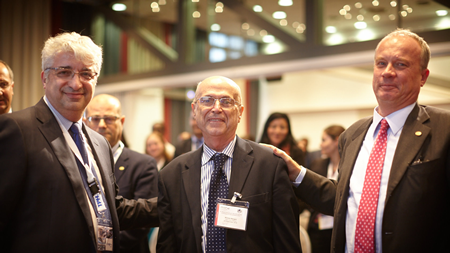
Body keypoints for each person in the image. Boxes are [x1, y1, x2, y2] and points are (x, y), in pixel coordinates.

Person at [267, 28, 450, 253]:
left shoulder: (444, 129)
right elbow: (343, 197)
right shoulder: (353, 134)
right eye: (381, 63)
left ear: (423, 76)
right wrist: (296, 173)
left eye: (400, 64)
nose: (388, 72)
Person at [0, 32, 158, 252]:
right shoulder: (17, 129)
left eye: (86, 73)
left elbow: (110, 208)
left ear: (95, 80)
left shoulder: (100, 143)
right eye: (64, 72)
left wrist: (174, 203)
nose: (76, 83)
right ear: (44, 78)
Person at [157, 76, 301, 252]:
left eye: (226, 101)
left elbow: (287, 243)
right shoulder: (171, 175)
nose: (216, 108)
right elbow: (167, 245)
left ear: (240, 112)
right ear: (195, 110)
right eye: (207, 100)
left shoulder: (270, 165)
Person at [85, 94, 158, 253]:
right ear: (85, 122)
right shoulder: (80, 162)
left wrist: (101, 247)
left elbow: (141, 223)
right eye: (95, 119)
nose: (102, 125)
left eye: (109, 118)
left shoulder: (143, 165)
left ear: (122, 122)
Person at [307, 125, 345, 253]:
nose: (321, 144)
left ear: (337, 141)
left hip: (341, 226)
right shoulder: (317, 165)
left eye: (324, 140)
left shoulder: (350, 165)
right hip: (318, 226)